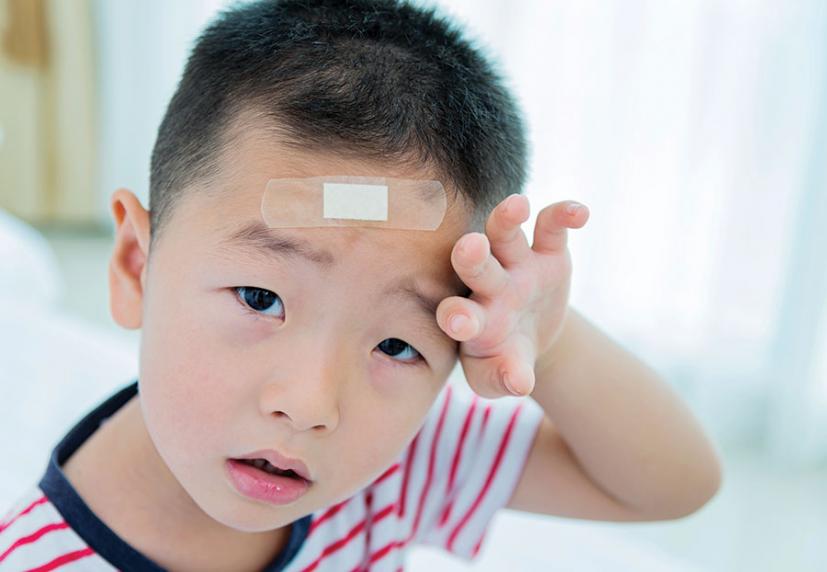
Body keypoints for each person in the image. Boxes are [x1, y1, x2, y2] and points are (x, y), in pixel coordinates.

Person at [0, 1, 722, 570]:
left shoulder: (401, 459)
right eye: (261, 299)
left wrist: (551, 345)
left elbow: (671, 484)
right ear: (136, 265)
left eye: (396, 343)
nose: (311, 405)